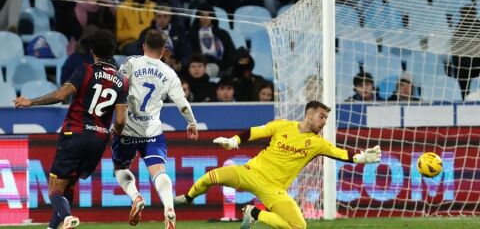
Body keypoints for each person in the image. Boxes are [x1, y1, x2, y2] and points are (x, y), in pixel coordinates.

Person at [174, 101, 381, 229]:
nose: (324, 121)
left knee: (298, 226)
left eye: (326, 118)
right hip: (250, 172)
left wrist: (362, 157)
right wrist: (234, 141)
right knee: (213, 176)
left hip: (274, 189)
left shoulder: (318, 143)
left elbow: (341, 153)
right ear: (310, 114)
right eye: (322, 116)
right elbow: (255, 132)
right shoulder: (283, 125)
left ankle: (254, 213)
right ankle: (188, 197)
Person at [14, 29, 128, 229]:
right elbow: (120, 119)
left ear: (92, 50)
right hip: (99, 139)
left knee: (54, 190)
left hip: (75, 133)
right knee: (69, 185)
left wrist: (29, 102)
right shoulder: (123, 80)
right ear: (112, 50)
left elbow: (60, 95)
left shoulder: (86, 70)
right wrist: (113, 134)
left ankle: (67, 217)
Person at [111, 29, 198, 228]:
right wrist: (191, 123)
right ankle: (169, 207)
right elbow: (182, 103)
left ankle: (136, 197)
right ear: (164, 50)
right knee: (158, 171)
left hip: (127, 130)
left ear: (143, 45)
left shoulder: (131, 62)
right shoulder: (169, 72)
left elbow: (117, 88)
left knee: (121, 167)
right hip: (152, 132)